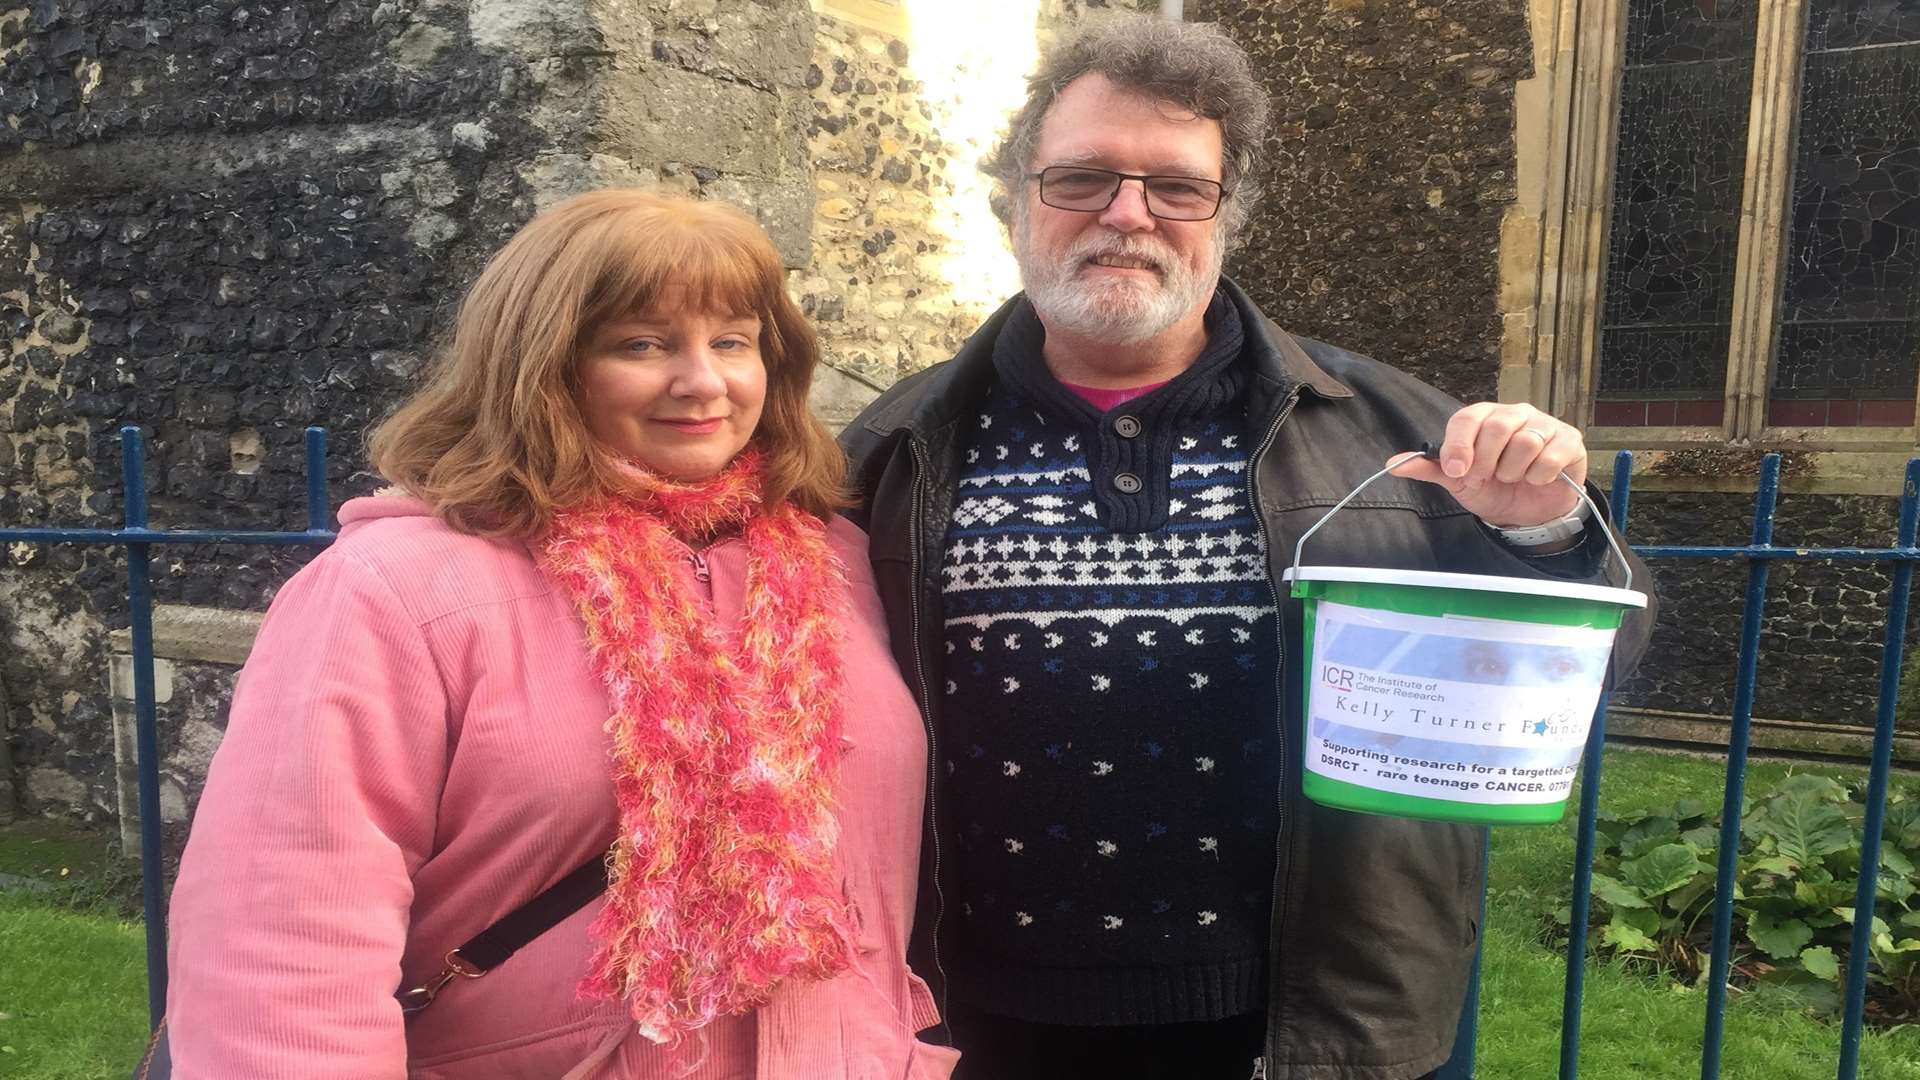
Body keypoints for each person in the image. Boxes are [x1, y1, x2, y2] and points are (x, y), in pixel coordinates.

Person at [838, 16, 1655, 1080]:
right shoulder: (888, 450)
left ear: (1227, 215)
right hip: (973, 1022)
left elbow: (1599, 668)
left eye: (1175, 186)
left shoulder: (1397, 432)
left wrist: (1541, 530)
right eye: (1082, 178)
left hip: (1302, 1025)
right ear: (1016, 200)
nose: (1127, 214)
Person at [164, 190, 958, 1079]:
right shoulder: (397, 590)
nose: (704, 382)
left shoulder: (838, 563)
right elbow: (286, 940)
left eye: (733, 341)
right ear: (543, 366)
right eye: (642, 344)